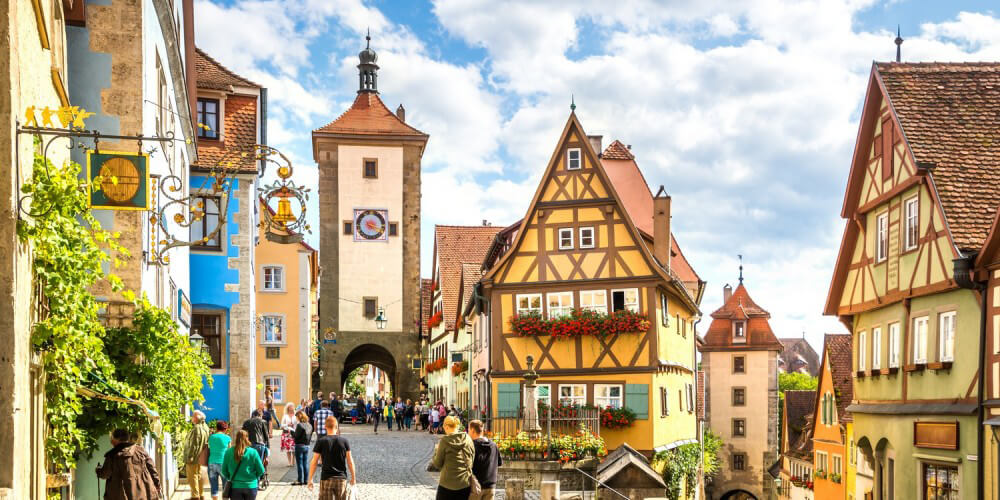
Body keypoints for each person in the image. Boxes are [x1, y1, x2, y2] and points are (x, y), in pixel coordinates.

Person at [95, 428, 161, 500]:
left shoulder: (112, 455)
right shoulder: (140, 450)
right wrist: (157, 484)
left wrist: (98, 470)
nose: (111, 441)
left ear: (116, 439)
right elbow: (152, 468)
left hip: (120, 495)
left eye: (112, 438)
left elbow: (105, 474)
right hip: (144, 492)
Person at [308, 416, 357, 500]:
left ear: (325, 427)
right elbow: (350, 461)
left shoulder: (321, 441)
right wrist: (353, 477)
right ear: (337, 427)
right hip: (341, 479)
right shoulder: (344, 441)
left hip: (326, 478)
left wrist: (310, 479)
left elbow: (314, 461)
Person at [432, 416, 475, 500]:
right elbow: (472, 457)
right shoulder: (468, 438)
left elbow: (437, 464)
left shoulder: (444, 441)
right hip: (465, 483)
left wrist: (435, 454)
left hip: (447, 483)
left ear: (446, 427)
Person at [221, 430, 266, 500]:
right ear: (247, 439)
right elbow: (261, 470)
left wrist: (231, 477)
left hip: (235, 486)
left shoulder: (228, 452)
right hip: (251, 486)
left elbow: (224, 471)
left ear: (236, 439)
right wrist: (253, 477)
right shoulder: (253, 452)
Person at [468, 420, 502, 500]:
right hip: (491, 486)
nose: (468, 432)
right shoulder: (494, 445)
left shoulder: (471, 445)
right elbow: (499, 463)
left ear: (472, 430)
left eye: (468, 430)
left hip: (475, 487)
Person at [183, 410, 210, 500]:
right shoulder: (205, 427)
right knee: (198, 476)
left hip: (194, 456)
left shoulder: (197, 428)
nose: (192, 418)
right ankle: (200, 494)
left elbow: (195, 444)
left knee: (192, 476)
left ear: (197, 418)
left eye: (193, 416)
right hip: (200, 456)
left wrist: (190, 456)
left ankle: (195, 496)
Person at [207, 421, 232, 500]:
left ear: (216, 428)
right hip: (223, 464)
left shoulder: (211, 437)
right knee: (226, 486)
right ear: (225, 429)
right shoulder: (227, 438)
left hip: (211, 463)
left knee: (214, 486)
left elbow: (209, 448)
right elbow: (229, 452)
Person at [292, 411, 313, 486]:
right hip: (307, 446)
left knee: (300, 463)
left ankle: (300, 480)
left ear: (299, 417)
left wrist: (291, 432)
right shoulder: (310, 425)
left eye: (297, 417)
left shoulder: (299, 425)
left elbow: (296, 436)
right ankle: (306, 480)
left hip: (299, 446)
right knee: (305, 463)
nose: (296, 418)